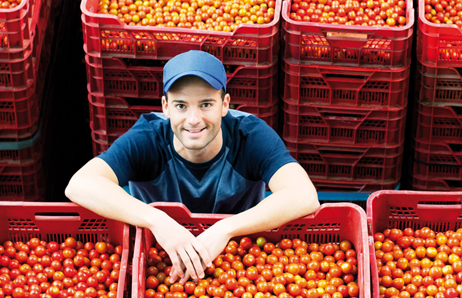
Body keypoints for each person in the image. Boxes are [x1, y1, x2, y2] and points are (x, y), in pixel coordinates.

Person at [65, 50, 320, 285]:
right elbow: (81, 184)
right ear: (165, 107)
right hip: (160, 256)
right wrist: (157, 221)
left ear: (225, 104)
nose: (194, 119)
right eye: (181, 106)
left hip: (240, 257)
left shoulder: (250, 135)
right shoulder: (148, 137)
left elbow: (303, 195)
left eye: (206, 104)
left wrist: (225, 229)